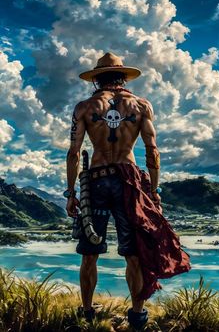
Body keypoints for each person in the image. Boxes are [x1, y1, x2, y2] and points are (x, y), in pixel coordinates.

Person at [65, 52, 190, 330]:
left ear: (96, 80)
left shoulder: (84, 107)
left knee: (89, 253)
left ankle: (86, 312)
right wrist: (154, 191)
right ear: (123, 77)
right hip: (128, 180)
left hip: (95, 180)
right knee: (133, 254)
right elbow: (152, 151)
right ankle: (137, 315)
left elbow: (74, 153)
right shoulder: (141, 106)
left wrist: (70, 192)